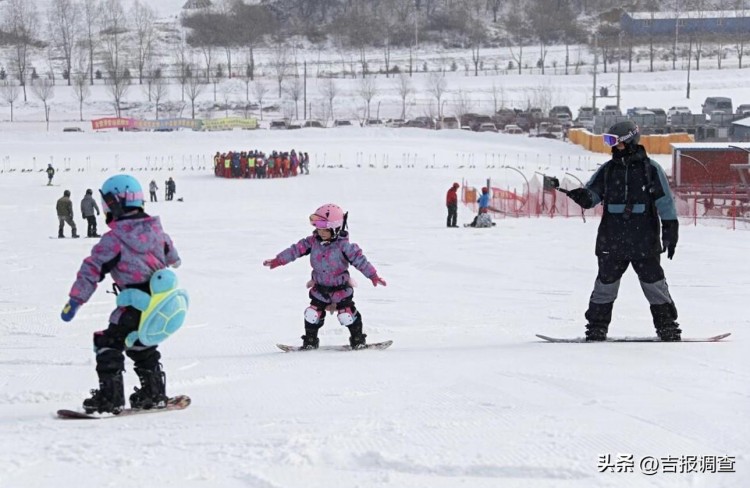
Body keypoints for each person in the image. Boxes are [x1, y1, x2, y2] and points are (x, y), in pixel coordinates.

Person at [60, 174, 182, 414]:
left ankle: (111, 397)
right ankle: (154, 392)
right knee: (141, 344)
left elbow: (92, 268)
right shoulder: (159, 232)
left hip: (132, 305)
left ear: (114, 203)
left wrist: (75, 300)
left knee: (108, 343)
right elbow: (174, 259)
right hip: (157, 306)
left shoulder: (114, 240)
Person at [564, 121, 681, 341]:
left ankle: (667, 326)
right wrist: (583, 196)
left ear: (629, 140)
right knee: (605, 285)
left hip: (644, 239)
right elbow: (592, 196)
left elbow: (665, 202)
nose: (611, 147)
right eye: (608, 141)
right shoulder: (608, 171)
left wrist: (670, 230)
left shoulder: (650, 169)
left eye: (613, 141)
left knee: (654, 284)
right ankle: (597, 327)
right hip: (612, 239)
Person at [263, 204, 387, 350]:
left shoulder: (344, 247)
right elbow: (295, 250)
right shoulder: (312, 242)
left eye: (324, 228)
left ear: (335, 228)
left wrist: (373, 275)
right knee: (311, 314)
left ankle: (358, 339)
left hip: (341, 290)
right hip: (319, 289)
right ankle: (310, 341)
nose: (320, 231)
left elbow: (361, 261)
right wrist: (279, 260)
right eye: (317, 227)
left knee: (346, 315)